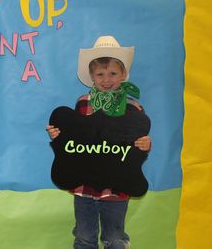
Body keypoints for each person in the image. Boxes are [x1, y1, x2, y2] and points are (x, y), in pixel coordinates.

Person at [46, 35, 151, 249]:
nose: (106, 79)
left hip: (117, 185)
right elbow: (74, 140)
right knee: (84, 236)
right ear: (92, 77)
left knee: (114, 237)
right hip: (84, 185)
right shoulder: (83, 103)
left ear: (123, 75)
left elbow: (136, 144)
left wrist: (144, 146)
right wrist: (58, 137)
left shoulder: (133, 109)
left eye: (113, 73)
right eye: (100, 74)